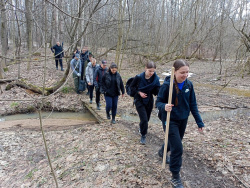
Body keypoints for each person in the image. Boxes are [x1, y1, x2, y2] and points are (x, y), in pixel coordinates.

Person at [156, 59, 204, 188]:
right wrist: (164, 106)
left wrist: (199, 122)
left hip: (183, 119)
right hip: (169, 119)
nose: (185, 75)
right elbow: (158, 102)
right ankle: (175, 176)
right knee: (178, 148)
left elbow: (193, 104)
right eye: (182, 72)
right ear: (174, 72)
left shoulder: (189, 85)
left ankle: (162, 151)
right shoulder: (167, 86)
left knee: (174, 142)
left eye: (187, 72)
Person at [130, 61, 160, 145]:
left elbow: (157, 90)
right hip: (139, 100)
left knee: (147, 118)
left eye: (153, 71)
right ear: (145, 68)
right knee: (144, 119)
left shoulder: (155, 79)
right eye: (150, 71)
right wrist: (139, 92)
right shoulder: (139, 77)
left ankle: (141, 127)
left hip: (149, 100)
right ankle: (143, 135)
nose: (151, 73)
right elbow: (131, 88)